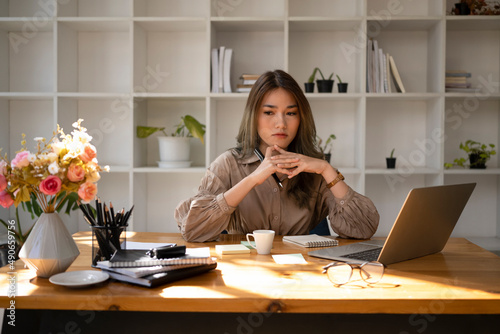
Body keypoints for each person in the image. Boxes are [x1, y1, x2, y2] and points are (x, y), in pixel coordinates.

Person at [175, 70, 379, 242]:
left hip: (302, 272)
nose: (281, 123)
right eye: (269, 112)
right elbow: (193, 230)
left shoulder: (315, 170)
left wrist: (327, 169)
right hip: (245, 271)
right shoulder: (228, 164)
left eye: (290, 113)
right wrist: (253, 178)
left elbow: (363, 229)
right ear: (254, 116)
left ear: (301, 118)